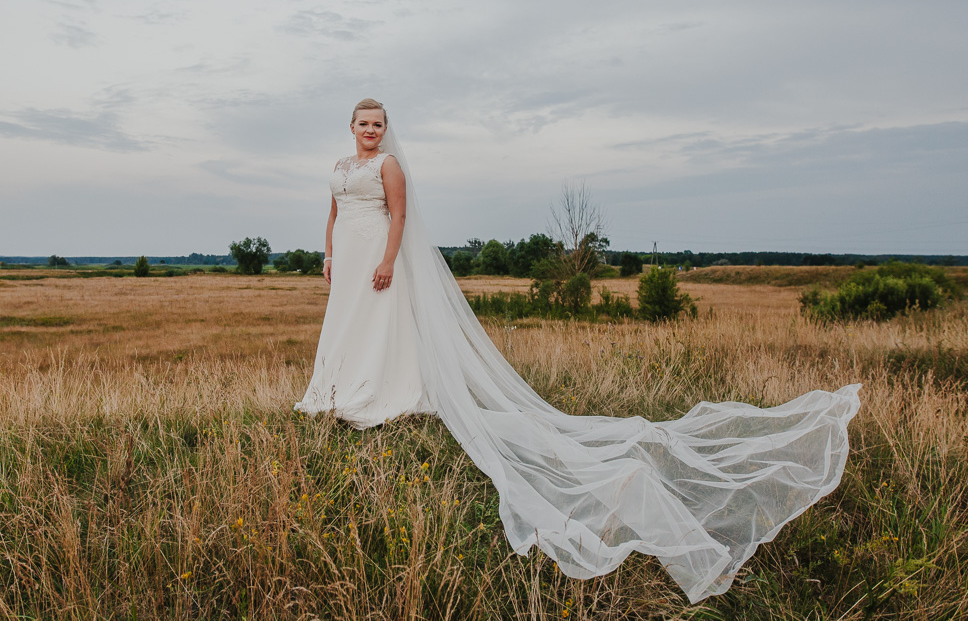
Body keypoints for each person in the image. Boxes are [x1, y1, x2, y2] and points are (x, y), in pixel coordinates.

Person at [295, 98, 861, 603]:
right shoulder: (343, 168)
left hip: (377, 254)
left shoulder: (389, 166)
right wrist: (327, 253)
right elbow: (334, 212)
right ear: (350, 126)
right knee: (345, 322)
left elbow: (400, 216)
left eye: (378, 124)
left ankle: (375, 391)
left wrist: (389, 260)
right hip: (345, 254)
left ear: (386, 129)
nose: (370, 130)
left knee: (376, 324)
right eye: (362, 123)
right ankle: (336, 387)